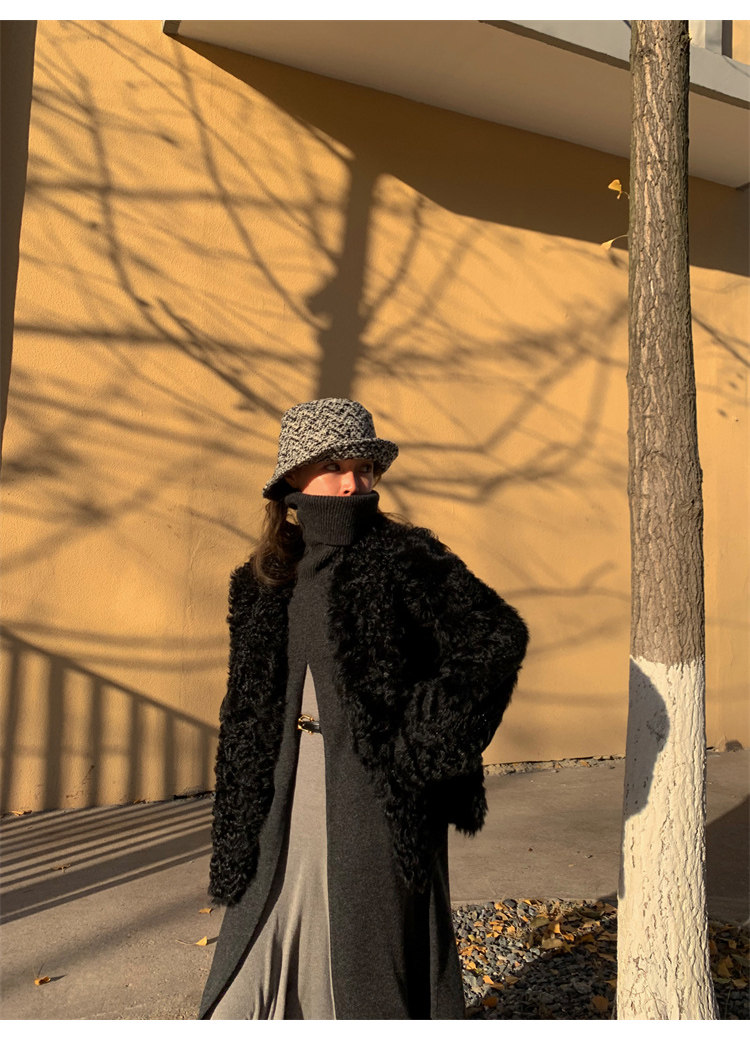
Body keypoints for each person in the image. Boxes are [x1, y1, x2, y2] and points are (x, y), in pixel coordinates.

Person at [198, 397, 529, 1020]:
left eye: (364, 468)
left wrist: (421, 741)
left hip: (376, 797)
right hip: (279, 795)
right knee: (252, 947)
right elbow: (243, 705)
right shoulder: (263, 579)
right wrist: (239, 796)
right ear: (294, 478)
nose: (353, 482)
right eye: (334, 466)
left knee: (364, 952)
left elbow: (496, 636)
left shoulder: (407, 559)